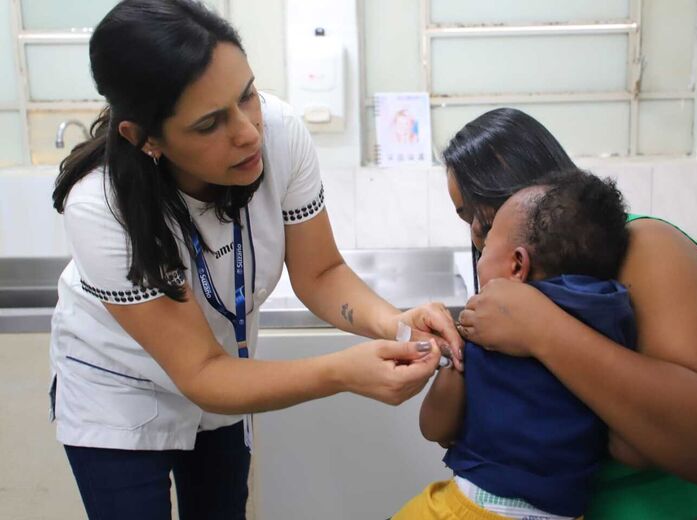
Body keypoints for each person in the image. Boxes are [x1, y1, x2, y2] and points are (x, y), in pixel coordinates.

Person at [49, 1, 459, 518]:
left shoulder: (280, 132)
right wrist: (342, 373)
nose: (247, 131)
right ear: (144, 137)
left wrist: (394, 324)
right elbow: (199, 373)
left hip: (227, 376)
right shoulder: (100, 208)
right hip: (120, 389)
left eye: (247, 96)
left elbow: (321, 273)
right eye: (209, 123)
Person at [441, 108, 697, 519]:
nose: (476, 233)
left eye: (484, 213)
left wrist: (542, 328)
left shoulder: (647, 246)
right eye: (465, 217)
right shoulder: (508, 294)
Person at [394, 170, 637, 519]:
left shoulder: (490, 323)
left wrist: (450, 357)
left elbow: (435, 427)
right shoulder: (614, 316)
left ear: (517, 265)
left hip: (477, 507)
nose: (478, 258)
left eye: (486, 246)